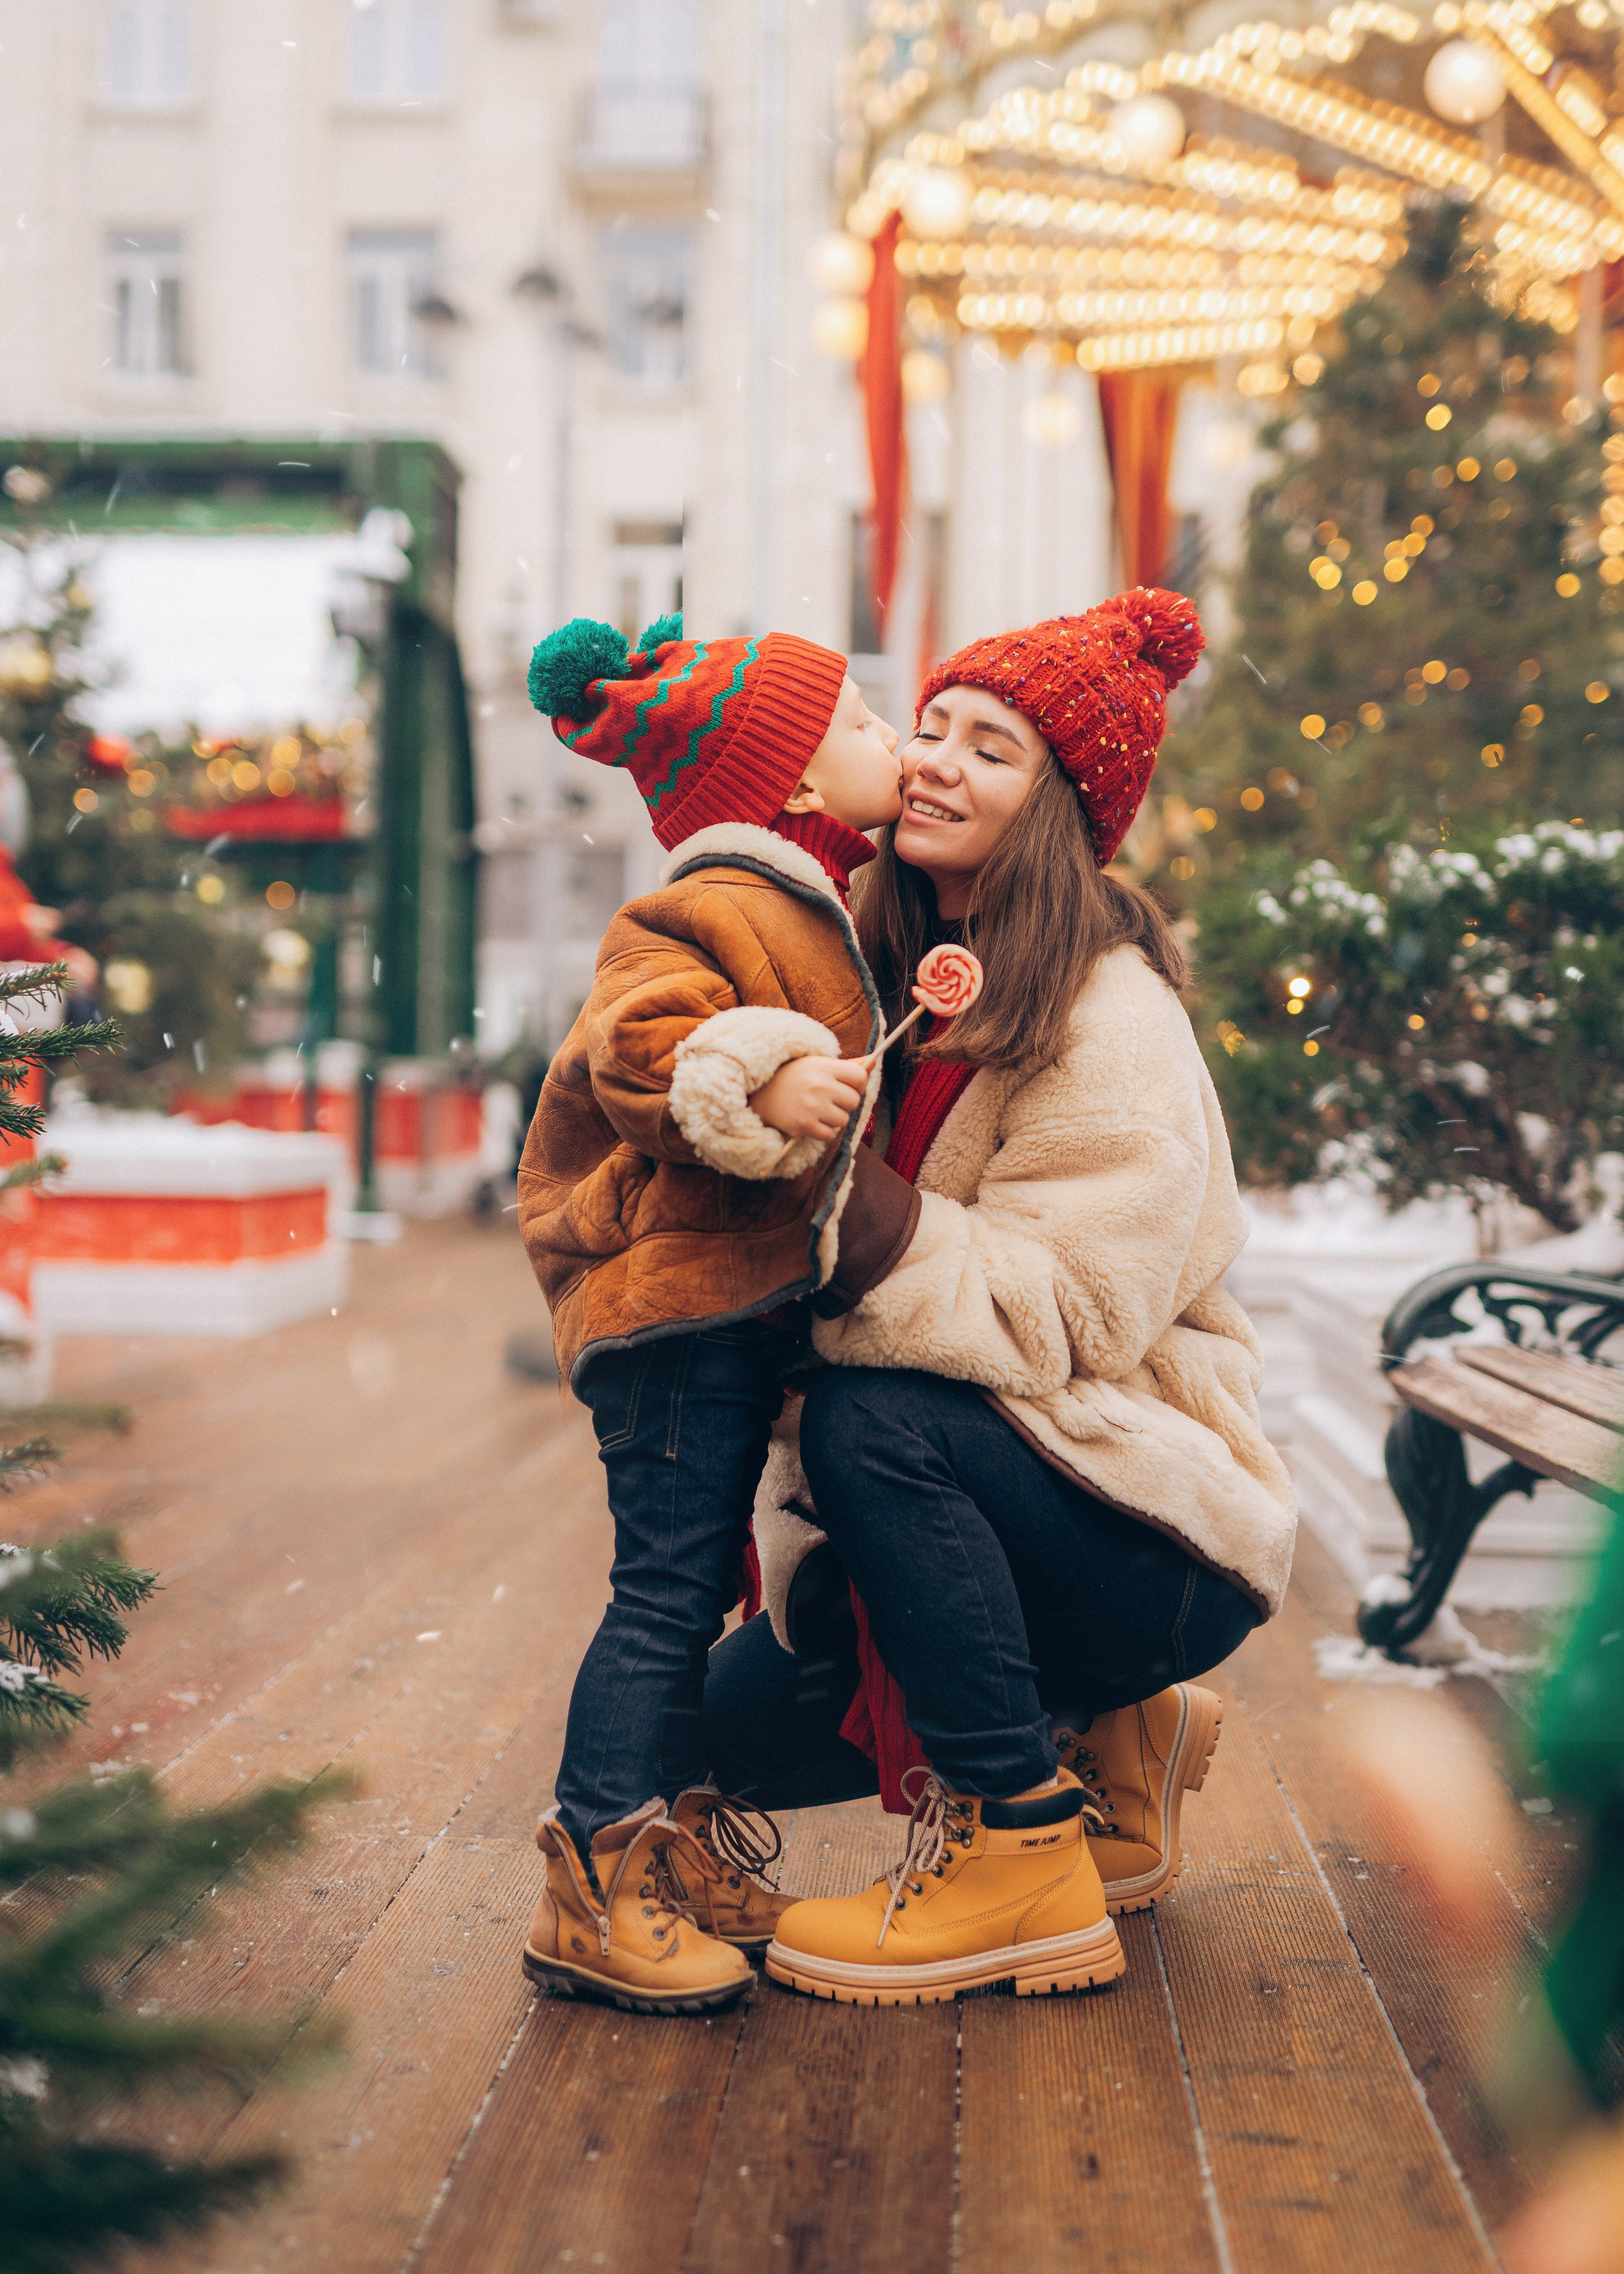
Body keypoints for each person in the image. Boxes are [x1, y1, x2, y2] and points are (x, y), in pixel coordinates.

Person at [693, 587, 1298, 2004]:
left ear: (1060, 810)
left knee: (875, 1417)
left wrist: (851, 1209)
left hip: (1148, 1526)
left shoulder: (1111, 1016)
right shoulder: (880, 966)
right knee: (697, 1732)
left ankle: (1020, 1850)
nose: (933, 763)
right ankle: (1113, 1736)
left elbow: (1063, 1309)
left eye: (990, 747)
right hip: (989, 1503)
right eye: (929, 726)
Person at [515, 610, 917, 2014]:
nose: (890, 735)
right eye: (860, 721)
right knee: (666, 1590)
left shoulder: (814, 897)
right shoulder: (704, 901)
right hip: (671, 1310)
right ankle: (593, 1875)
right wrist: (768, 1069)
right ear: (794, 777)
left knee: (694, 1586)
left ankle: (669, 1850)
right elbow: (639, 1049)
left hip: (725, 1311)